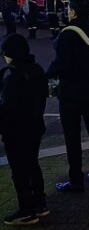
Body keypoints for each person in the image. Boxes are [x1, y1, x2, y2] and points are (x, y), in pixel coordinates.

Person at [47, 0, 89, 192]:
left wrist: (46, 76)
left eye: (68, 9)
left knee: (72, 137)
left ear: (73, 11)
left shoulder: (69, 33)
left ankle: (76, 179)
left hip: (71, 92)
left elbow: (61, 63)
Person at [0, 34, 49, 225]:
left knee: (19, 170)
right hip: (35, 125)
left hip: (16, 130)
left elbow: (7, 107)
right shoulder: (36, 69)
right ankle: (40, 203)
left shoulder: (13, 75)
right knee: (32, 164)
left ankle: (26, 210)